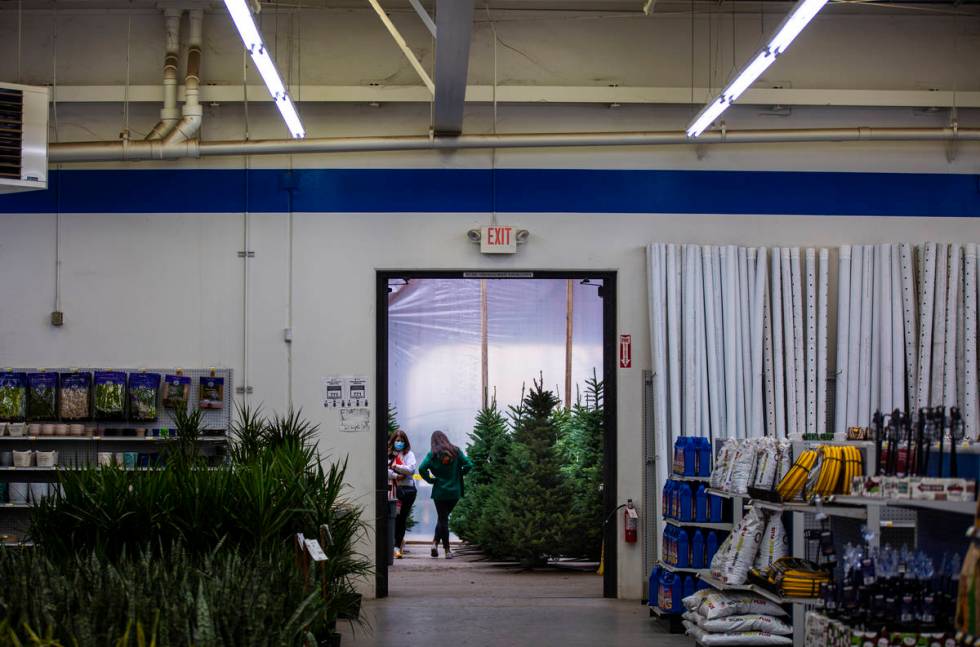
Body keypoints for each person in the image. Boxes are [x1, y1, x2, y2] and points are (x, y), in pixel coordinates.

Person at [418, 430, 473, 559]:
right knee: (443, 519)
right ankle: (437, 545)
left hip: (440, 492)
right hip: (454, 492)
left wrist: (431, 480)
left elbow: (421, 468)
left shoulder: (432, 455)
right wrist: (460, 474)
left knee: (443, 519)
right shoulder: (456, 451)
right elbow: (469, 464)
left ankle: (444, 548)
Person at [387, 430, 417, 560]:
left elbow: (411, 469)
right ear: (393, 441)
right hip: (394, 490)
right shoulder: (389, 454)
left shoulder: (409, 454)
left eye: (402, 441)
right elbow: (384, 469)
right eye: (397, 440)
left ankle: (397, 546)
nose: (399, 443)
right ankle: (393, 544)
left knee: (402, 518)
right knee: (393, 517)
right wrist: (396, 474)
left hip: (408, 491)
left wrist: (395, 467)